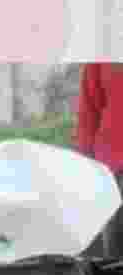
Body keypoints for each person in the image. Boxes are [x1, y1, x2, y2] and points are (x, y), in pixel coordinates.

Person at [77, 62, 123, 259]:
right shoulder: (104, 51)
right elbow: (88, 113)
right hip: (112, 168)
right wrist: (85, 164)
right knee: (114, 254)